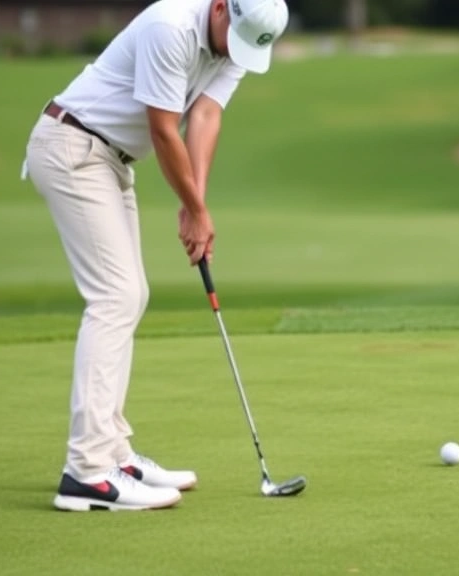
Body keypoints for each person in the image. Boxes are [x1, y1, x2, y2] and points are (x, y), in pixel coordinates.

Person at [21, 0, 289, 512]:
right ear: (219, 8)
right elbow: (165, 128)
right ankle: (87, 471)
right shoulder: (171, 26)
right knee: (115, 296)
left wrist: (198, 206)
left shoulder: (239, 39)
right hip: (73, 145)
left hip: (111, 159)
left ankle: (114, 452)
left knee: (130, 295)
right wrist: (193, 207)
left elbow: (205, 116)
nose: (232, 54)